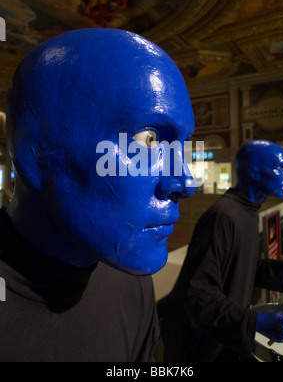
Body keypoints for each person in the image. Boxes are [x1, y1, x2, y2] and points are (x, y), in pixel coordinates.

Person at [0, 28, 196, 362]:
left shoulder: (131, 284)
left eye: (184, 145)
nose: (184, 182)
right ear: (36, 155)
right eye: (148, 139)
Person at [159, 140, 283, 362]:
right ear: (253, 171)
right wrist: (255, 322)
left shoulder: (248, 211)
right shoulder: (224, 216)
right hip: (198, 347)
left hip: (220, 339)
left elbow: (237, 266)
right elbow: (197, 293)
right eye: (280, 168)